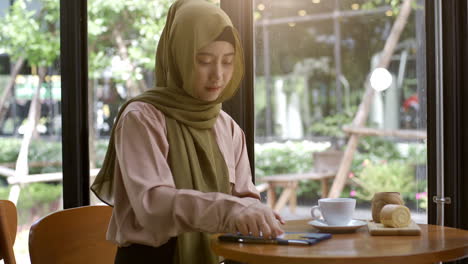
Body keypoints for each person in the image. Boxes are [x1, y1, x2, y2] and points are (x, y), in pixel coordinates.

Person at [91, 0, 285, 263]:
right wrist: (230, 209)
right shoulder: (142, 118)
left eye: (227, 62)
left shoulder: (226, 126)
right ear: (179, 57)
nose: (218, 75)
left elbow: (243, 197)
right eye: (204, 61)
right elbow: (152, 204)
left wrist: (257, 212)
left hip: (216, 255)